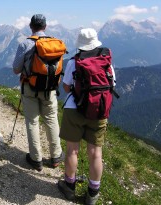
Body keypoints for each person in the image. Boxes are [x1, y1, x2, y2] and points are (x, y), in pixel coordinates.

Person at [57, 28, 116, 205]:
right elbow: (112, 84)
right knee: (96, 153)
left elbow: (66, 87)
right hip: (99, 111)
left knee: (72, 150)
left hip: (74, 109)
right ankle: (92, 194)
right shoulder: (106, 61)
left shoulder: (74, 62)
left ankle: (69, 187)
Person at [12, 14, 64, 172]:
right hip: (50, 89)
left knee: (32, 122)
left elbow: (16, 69)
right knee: (51, 120)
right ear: (45, 26)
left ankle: (36, 159)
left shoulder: (25, 43)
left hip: (30, 88)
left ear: (31, 26)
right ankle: (56, 156)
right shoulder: (55, 43)